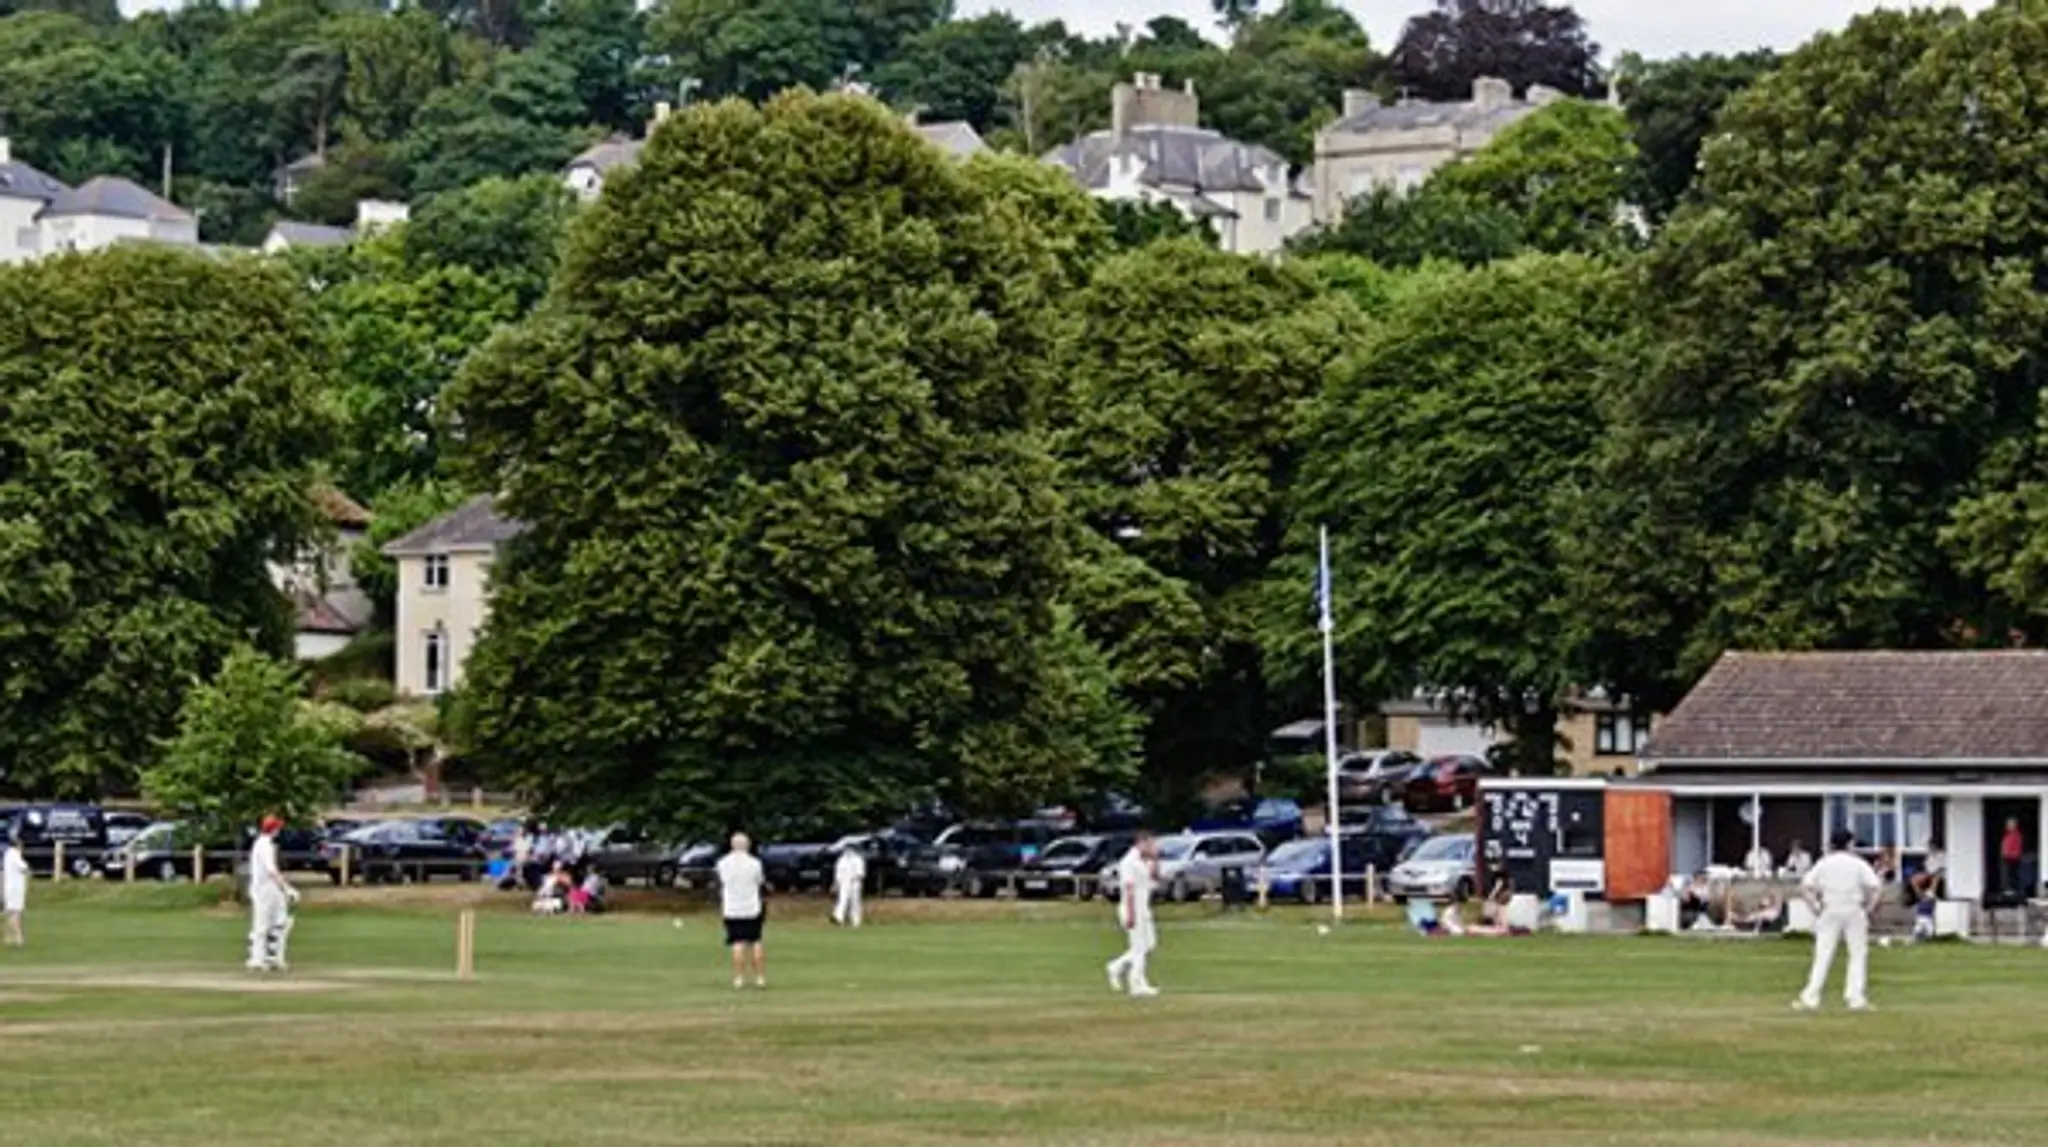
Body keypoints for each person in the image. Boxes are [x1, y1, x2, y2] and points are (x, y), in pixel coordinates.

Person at [1795, 829, 1883, 1012]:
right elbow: (1875, 888)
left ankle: (1810, 997)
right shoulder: (1858, 864)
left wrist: (1815, 908)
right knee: (1857, 954)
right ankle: (1855, 998)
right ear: (1850, 844)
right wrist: (1869, 909)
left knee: (1823, 954)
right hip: (1853, 908)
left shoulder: (1824, 863)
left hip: (1830, 908)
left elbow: (1805, 887)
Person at [1104, 831, 1159, 998]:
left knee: (1149, 944)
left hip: (1144, 908)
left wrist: (1155, 859)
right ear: (1140, 843)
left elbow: (1155, 878)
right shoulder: (1128, 862)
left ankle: (1115, 966)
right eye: (1150, 844)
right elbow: (1128, 890)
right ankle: (1137, 985)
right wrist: (1131, 914)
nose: (1153, 847)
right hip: (1132, 908)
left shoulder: (1144, 861)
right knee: (1139, 947)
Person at [247, 816, 301, 973]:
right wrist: (287, 888)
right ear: (273, 829)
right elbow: (271, 871)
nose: (279, 830)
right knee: (262, 924)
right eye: (277, 828)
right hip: (264, 890)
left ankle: (273, 957)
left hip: (270, 889)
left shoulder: (265, 844)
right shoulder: (264, 845)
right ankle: (257, 958)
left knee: (281, 922)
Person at [717, 833, 769, 989]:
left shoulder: (723, 863)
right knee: (756, 942)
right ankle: (760, 978)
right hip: (752, 907)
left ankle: (739, 978)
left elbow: (722, 881)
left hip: (732, 908)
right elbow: (760, 881)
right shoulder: (755, 863)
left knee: (737, 943)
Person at [832, 844, 867, 929]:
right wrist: (836, 884)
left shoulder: (858, 859)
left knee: (855, 902)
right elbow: (838, 873)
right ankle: (838, 918)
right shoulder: (841, 860)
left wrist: (854, 880)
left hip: (855, 883)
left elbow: (861, 873)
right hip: (843, 883)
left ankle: (856, 922)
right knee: (842, 900)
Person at [3, 831, 27, 948]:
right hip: (15, 888)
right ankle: (18, 937)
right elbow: (23, 867)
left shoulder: (8, 854)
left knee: (11, 912)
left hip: (11, 887)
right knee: (15, 912)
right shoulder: (14, 854)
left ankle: (8, 937)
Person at [2000, 819, 2025, 897]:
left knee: (2011, 874)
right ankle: (2007, 889)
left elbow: (2017, 847)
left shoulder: (2016, 835)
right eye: (2008, 825)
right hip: (2007, 857)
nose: (2008, 826)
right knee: (2005, 874)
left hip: (2012, 858)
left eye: (2010, 825)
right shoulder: (2007, 834)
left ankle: (2012, 890)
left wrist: (2011, 855)